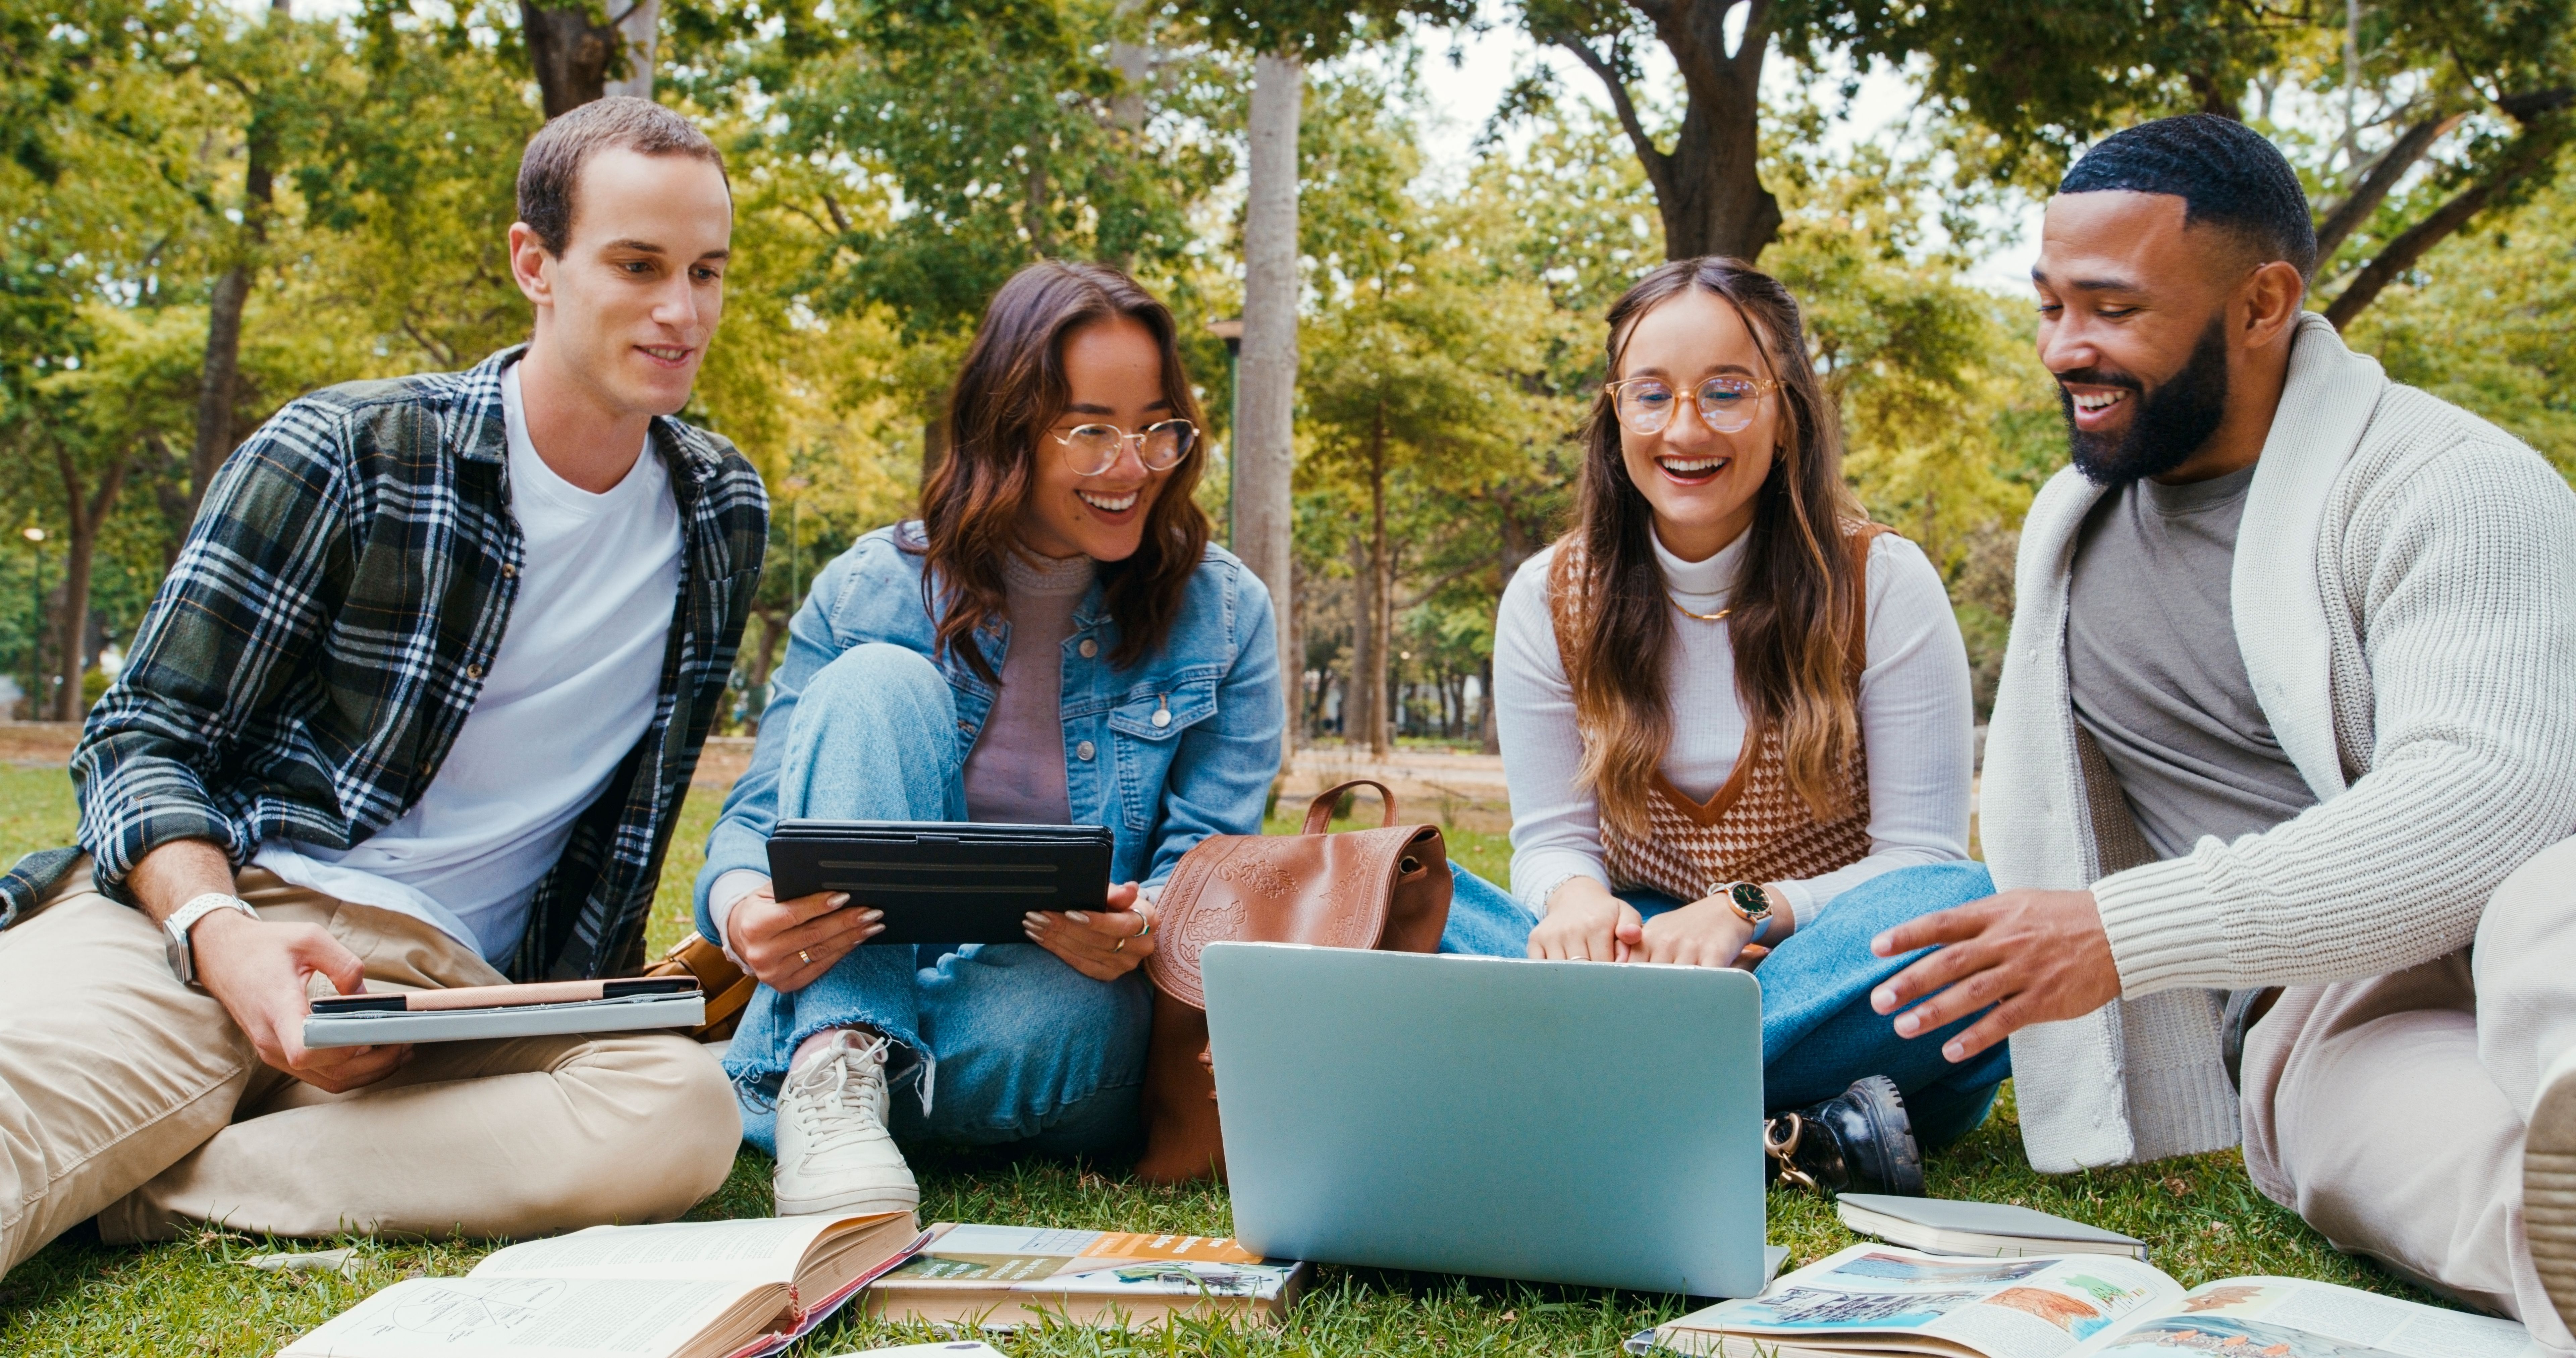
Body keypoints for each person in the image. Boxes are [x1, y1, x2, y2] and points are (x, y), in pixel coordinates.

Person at [0, 96, 765, 1277]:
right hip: (235, 911)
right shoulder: (349, 452)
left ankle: (159, 1186)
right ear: (535, 263)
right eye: (638, 265)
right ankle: (174, 1124)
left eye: (707, 272)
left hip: (457, 995)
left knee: (680, 1109)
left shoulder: (723, 512)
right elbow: (139, 735)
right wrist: (223, 936)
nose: (682, 311)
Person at [1866, 115, 2576, 1347]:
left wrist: (2120, 931)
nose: (2063, 349)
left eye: (2110, 308)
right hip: (2319, 1013)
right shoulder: (2067, 531)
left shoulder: (2455, 481)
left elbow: (2489, 798)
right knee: (2395, 1152)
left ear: (2262, 303)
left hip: (2525, 911)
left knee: (2557, 905)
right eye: (2048, 306)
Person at [694, 260, 1281, 1218]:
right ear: (1009, 430)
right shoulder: (869, 585)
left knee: (1074, 1008)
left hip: (1053, 1003)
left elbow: (1216, 856)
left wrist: (1151, 922)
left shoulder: (1224, 612)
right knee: (878, 678)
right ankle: (838, 1058)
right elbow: (757, 818)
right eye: (1090, 429)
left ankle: (794, 1072)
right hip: (871, 966)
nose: (1130, 466)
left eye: (1154, 429)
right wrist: (743, 904)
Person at [1442, 255, 1996, 1195]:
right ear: (1616, 411)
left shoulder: (1882, 584)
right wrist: (1577, 904)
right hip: (1641, 963)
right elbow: (1548, 843)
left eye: (1728, 391)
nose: (1685, 429)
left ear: (1787, 411)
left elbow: (1925, 862)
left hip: (1824, 976)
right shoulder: (1548, 595)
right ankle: (1793, 1123)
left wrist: (1751, 909)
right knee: (1409, 895)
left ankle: (1592, 1093)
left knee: (1952, 915)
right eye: (1651, 394)